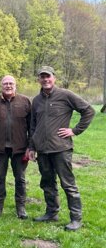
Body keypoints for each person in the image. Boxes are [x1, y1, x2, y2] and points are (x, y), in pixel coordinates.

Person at [29, 66, 95, 231]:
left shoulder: (65, 95)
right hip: (42, 150)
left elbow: (88, 111)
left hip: (60, 149)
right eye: (42, 77)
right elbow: (33, 125)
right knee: (47, 183)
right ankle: (51, 213)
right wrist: (32, 146)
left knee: (68, 184)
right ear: (39, 79)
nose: (45, 79)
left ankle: (76, 218)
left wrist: (74, 130)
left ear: (54, 78)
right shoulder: (36, 100)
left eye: (48, 76)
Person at [0, 75, 31, 219]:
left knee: (20, 179)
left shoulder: (25, 102)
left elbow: (31, 126)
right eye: (5, 84)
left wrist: (30, 147)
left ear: (15, 85)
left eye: (11, 83)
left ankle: (21, 208)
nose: (8, 86)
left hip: (20, 149)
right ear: (1, 86)